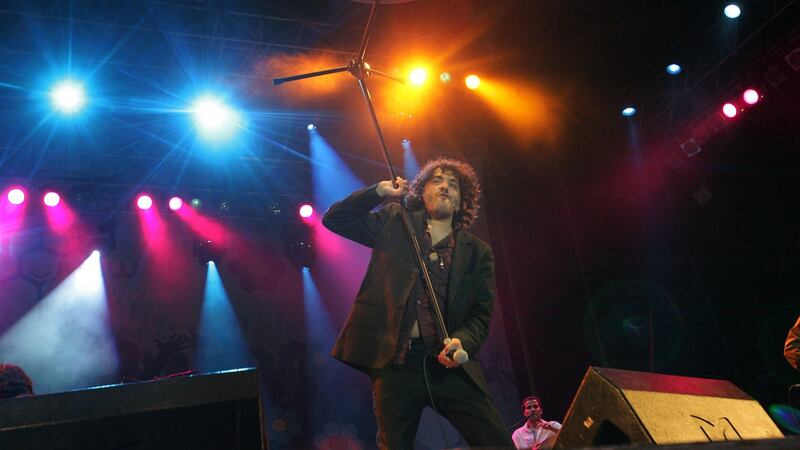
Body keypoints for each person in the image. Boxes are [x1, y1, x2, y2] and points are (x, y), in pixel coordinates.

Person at [322, 157, 514, 449]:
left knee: (495, 441)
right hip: (396, 364)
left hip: (448, 363)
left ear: (461, 202)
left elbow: (480, 315)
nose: (445, 187)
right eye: (437, 180)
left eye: (453, 185)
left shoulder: (478, 252)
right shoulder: (394, 222)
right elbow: (335, 219)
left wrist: (462, 342)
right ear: (422, 192)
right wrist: (378, 191)